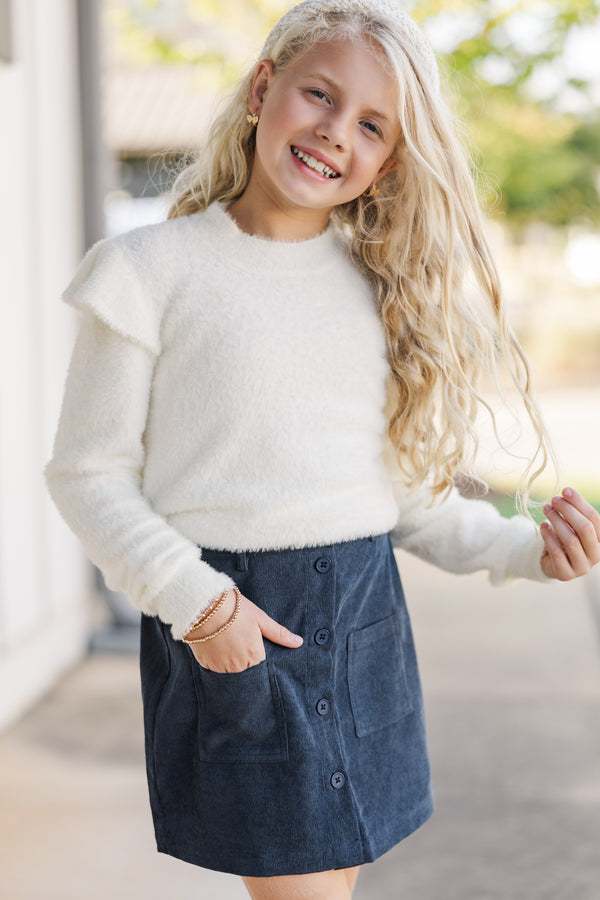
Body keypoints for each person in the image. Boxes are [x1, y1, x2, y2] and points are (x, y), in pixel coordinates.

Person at [45, 1, 600, 897]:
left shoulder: (376, 292)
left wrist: (526, 550)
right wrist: (201, 607)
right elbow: (86, 475)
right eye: (319, 95)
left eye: (371, 125)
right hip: (236, 630)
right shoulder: (147, 272)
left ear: (387, 161)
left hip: (367, 636)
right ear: (264, 88)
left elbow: (402, 502)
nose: (335, 133)